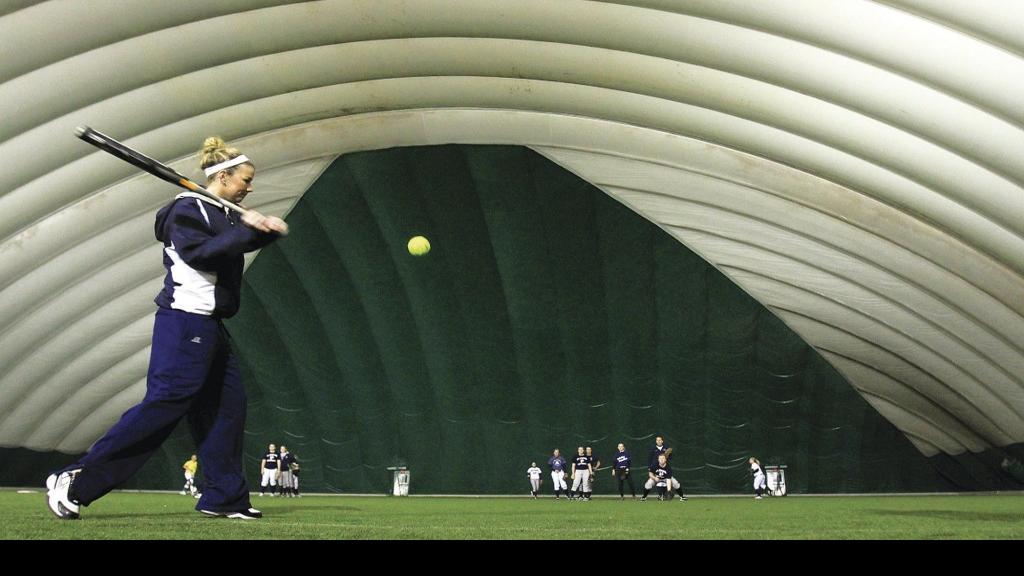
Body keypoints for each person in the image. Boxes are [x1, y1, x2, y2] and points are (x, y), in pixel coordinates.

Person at [44, 136, 288, 520]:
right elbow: (202, 254)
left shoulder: (224, 215)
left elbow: (230, 247)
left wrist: (261, 231)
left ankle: (224, 497)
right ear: (223, 176)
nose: (249, 187)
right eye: (245, 180)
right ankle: (76, 479)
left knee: (227, 408)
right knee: (164, 405)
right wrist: (252, 231)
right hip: (184, 321)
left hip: (211, 327)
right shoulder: (185, 210)